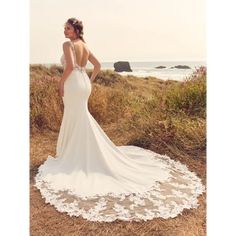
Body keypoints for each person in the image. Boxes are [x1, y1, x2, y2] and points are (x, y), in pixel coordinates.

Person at [34, 17, 206, 222]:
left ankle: (74, 154)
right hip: (84, 85)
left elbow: (69, 67)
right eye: (64, 29)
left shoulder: (67, 44)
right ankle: (78, 150)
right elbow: (97, 65)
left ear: (76, 30)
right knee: (80, 116)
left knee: (75, 116)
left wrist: (61, 83)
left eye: (68, 28)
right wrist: (88, 81)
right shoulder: (85, 46)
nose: (65, 31)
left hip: (72, 83)